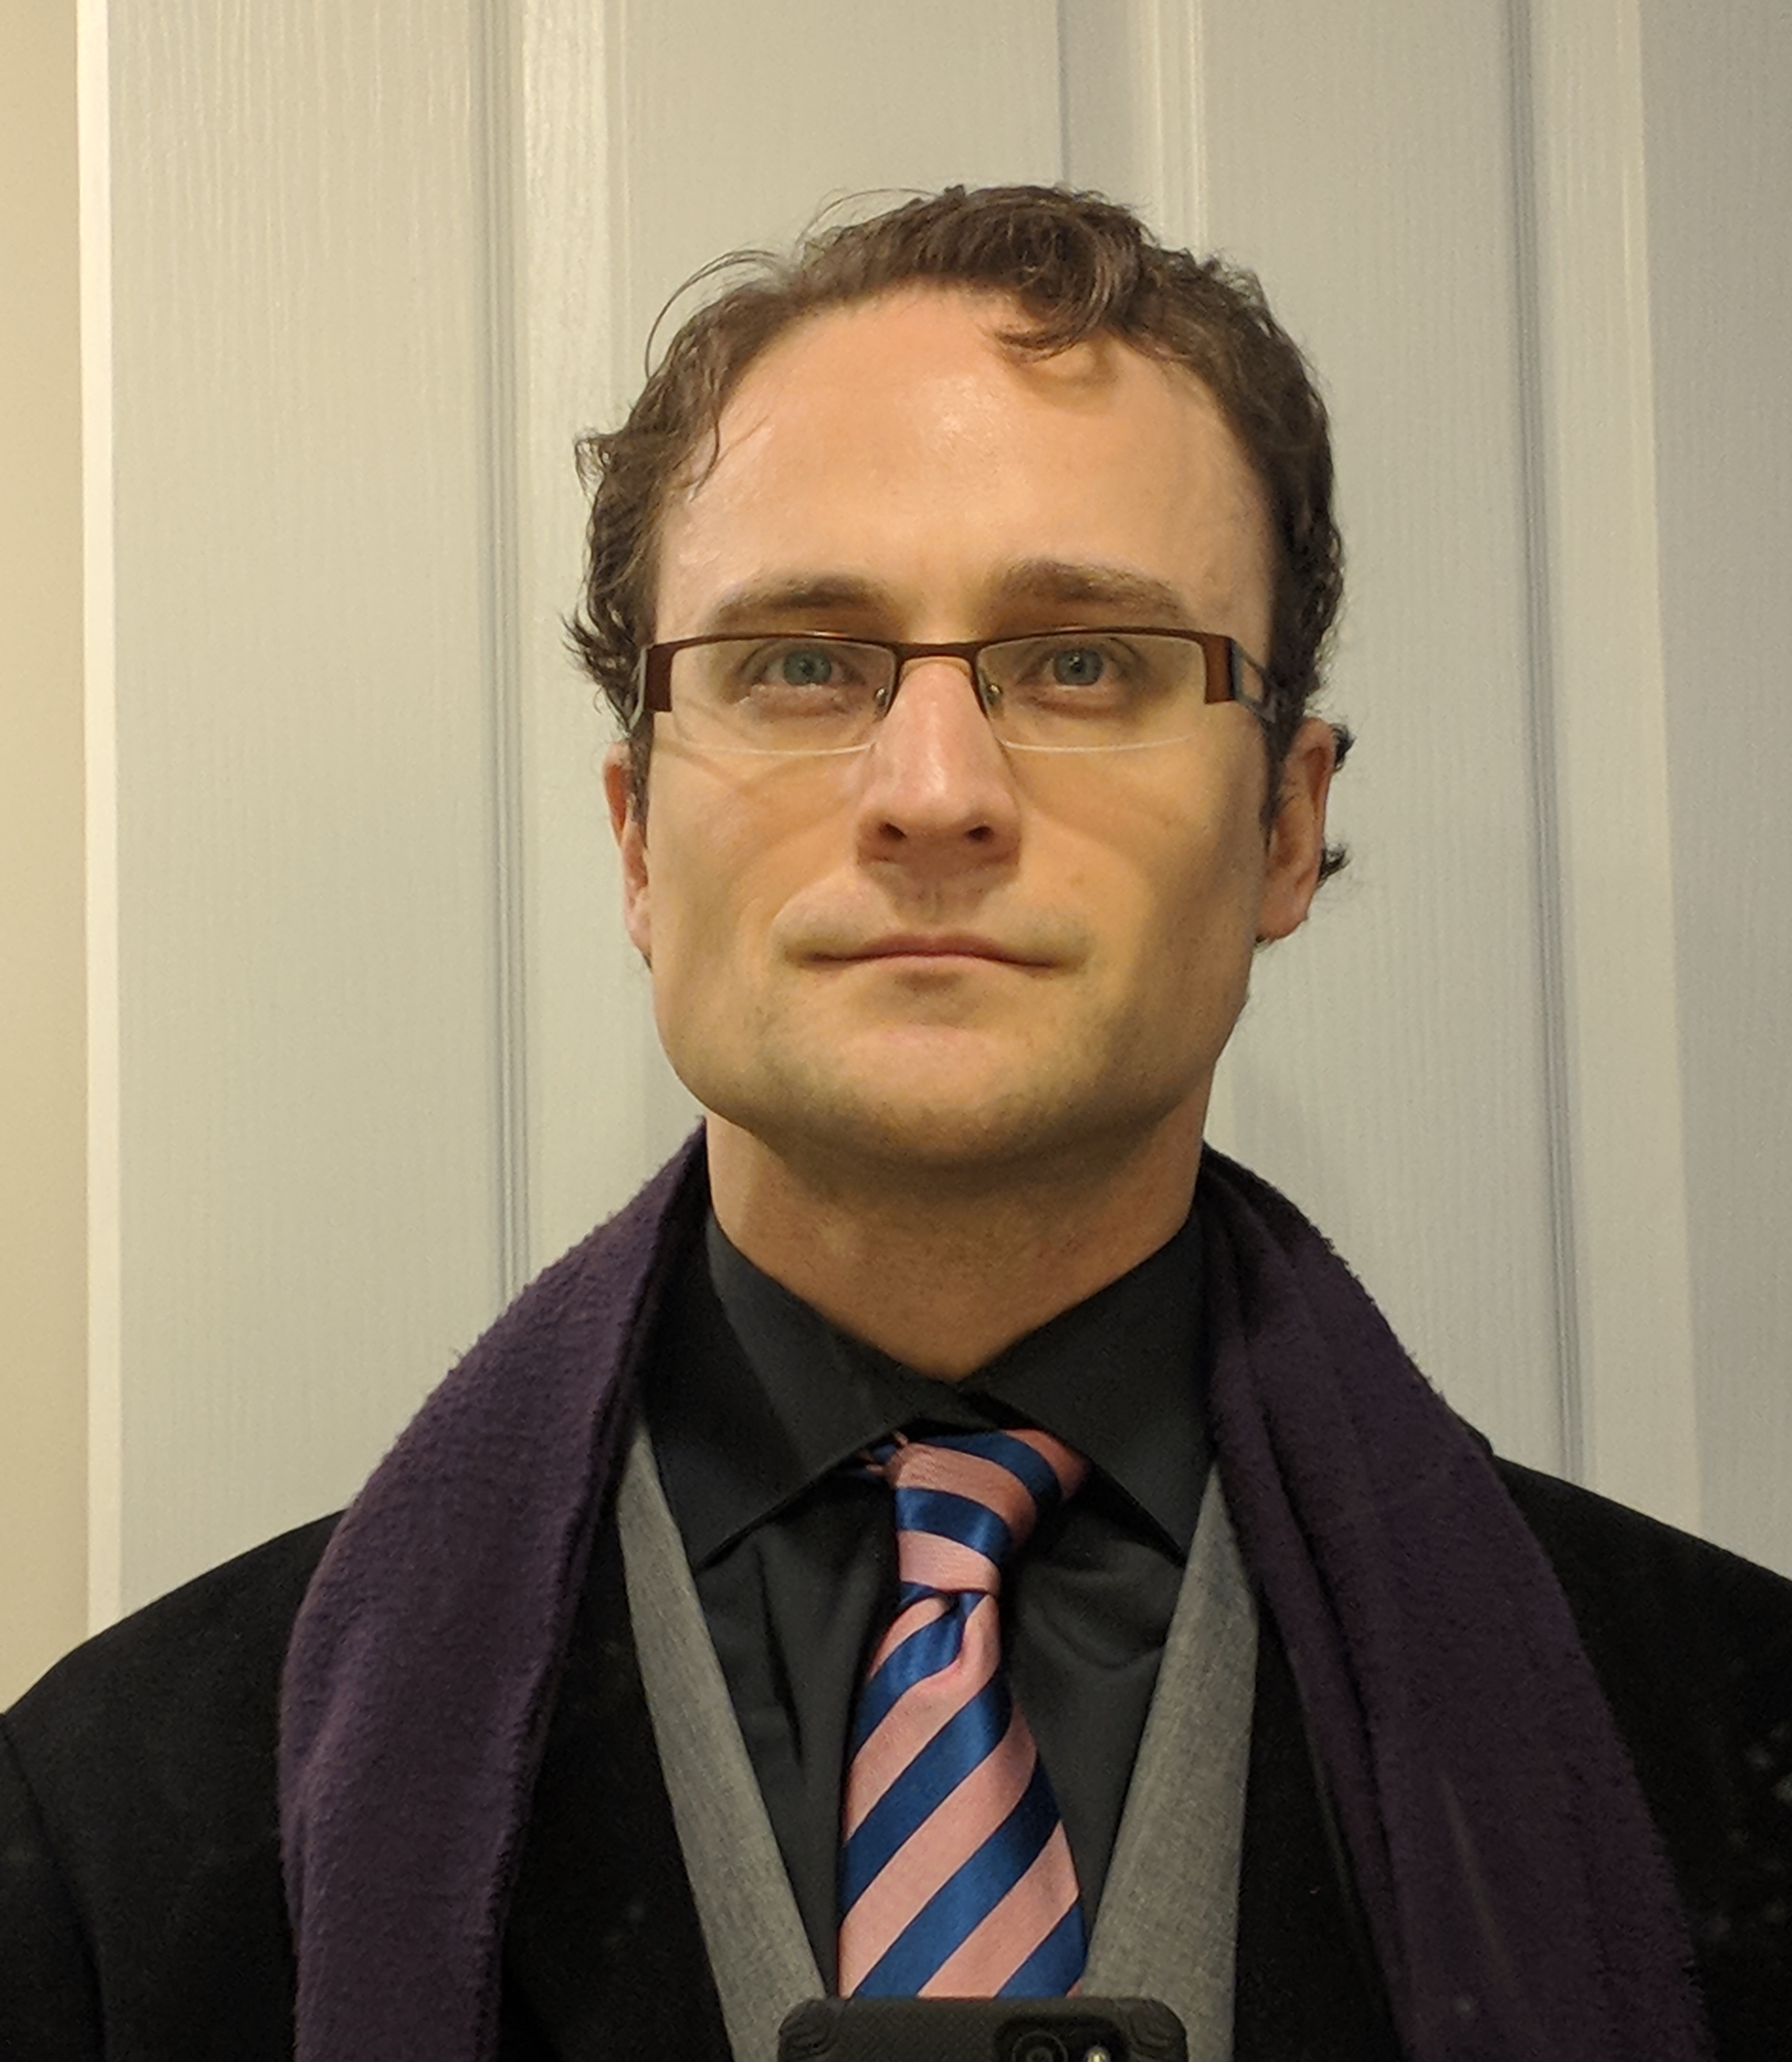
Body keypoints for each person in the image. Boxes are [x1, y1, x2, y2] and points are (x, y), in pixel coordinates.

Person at [3, 186, 1789, 2062]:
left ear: (1285, 826)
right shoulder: (121, 1845)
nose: (935, 793)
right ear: (636, 838)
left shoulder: (1731, 1749)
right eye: (801, 665)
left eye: (1086, 660)